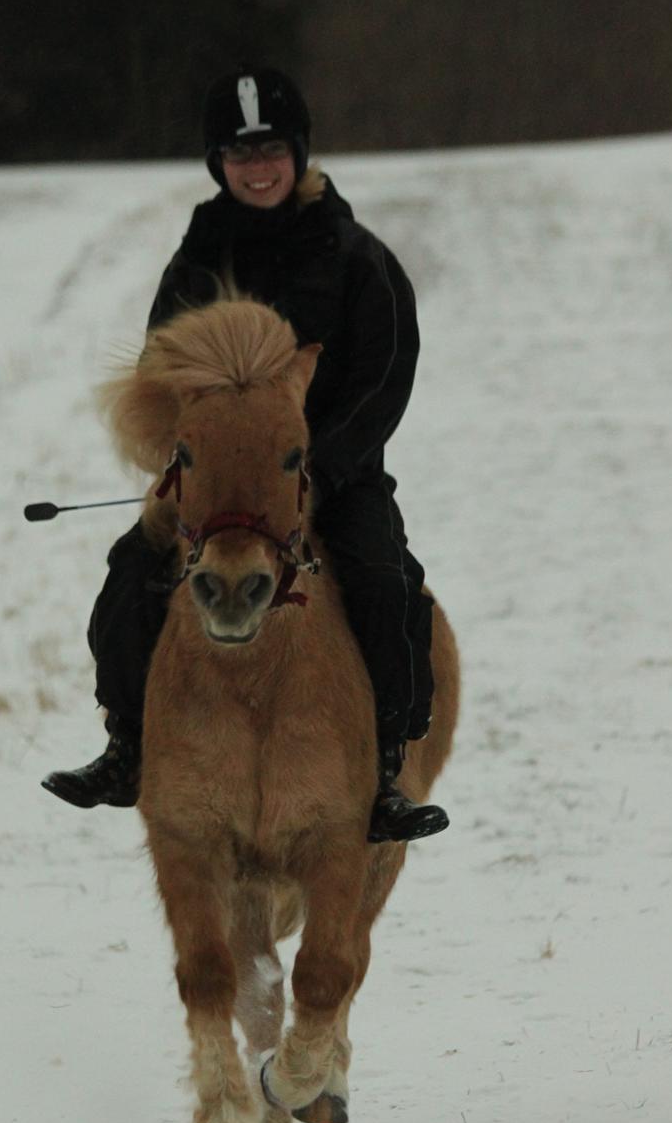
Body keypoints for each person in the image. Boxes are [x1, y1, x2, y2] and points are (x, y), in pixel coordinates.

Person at [43, 68, 448, 845]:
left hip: (333, 473)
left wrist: (320, 470)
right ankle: (127, 744)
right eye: (238, 154)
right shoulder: (195, 260)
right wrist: (180, 459)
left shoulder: (360, 260)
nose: (256, 168)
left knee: (383, 578)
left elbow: (383, 379)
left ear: (297, 152)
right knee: (131, 570)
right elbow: (162, 373)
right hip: (218, 483)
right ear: (216, 164)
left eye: (270, 150)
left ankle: (387, 771)